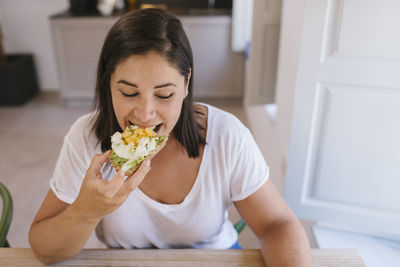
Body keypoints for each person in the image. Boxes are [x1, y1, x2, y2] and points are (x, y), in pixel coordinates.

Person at [29, 8, 312, 266]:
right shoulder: (86, 137)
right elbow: (43, 249)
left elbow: (277, 224)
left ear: (187, 84)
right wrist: (86, 211)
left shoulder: (227, 135)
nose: (145, 113)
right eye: (128, 93)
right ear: (108, 83)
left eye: (164, 94)